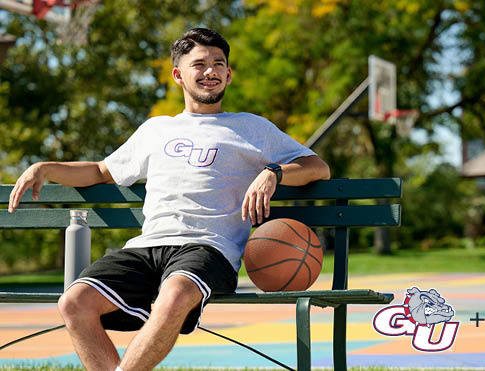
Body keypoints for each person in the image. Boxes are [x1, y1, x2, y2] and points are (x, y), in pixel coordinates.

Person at [8, 27, 330, 371]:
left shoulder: (252, 128)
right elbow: (101, 171)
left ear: (229, 74)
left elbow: (317, 167)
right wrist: (46, 167)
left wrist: (273, 172)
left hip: (209, 249)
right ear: (178, 75)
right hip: (145, 247)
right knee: (74, 302)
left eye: (218, 64)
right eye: (200, 64)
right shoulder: (155, 129)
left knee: (173, 296)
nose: (211, 71)